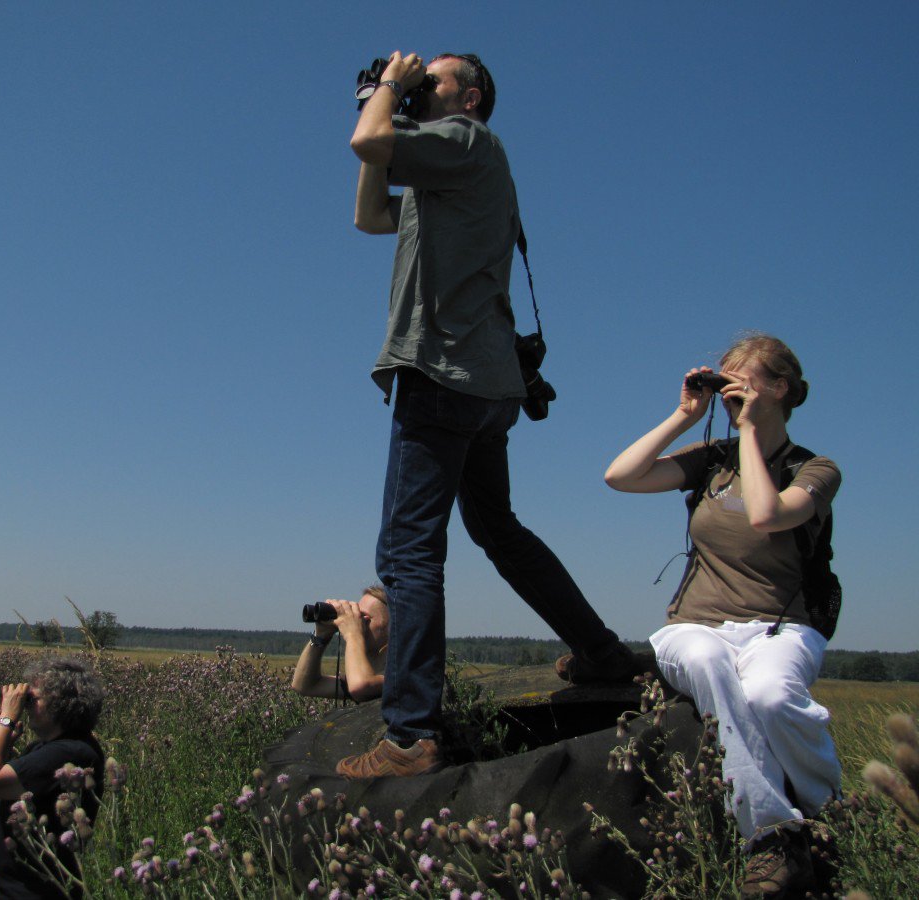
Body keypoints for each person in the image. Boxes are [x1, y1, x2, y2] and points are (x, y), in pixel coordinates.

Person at [337, 50, 638, 780]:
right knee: (496, 528)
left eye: (430, 81)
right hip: (483, 384)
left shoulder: (471, 142)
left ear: (469, 98)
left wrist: (384, 95)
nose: (416, 87)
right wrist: (386, 103)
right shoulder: (443, 177)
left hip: (440, 375)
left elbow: (368, 143)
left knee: (408, 552)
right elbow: (369, 213)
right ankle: (602, 653)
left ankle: (410, 737)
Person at [603, 333, 841, 898]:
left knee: (771, 697)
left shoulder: (815, 468)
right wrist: (686, 415)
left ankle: (829, 809)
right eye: (723, 380)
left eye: (744, 379)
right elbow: (621, 476)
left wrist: (752, 433)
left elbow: (767, 514)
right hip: (694, 625)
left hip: (780, 627)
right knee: (709, 660)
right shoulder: (712, 459)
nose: (730, 392)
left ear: (780, 388)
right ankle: (771, 836)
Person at [0, 657, 106, 899]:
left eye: (33, 699)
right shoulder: (46, 749)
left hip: (29, 891)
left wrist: (6, 720)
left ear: (60, 704)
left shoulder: (68, 753)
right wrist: (6, 746)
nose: (26, 705)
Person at [292, 585, 389, 701]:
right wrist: (320, 636)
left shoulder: (407, 669)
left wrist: (352, 634)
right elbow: (305, 686)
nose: (358, 622)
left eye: (363, 618)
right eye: (356, 616)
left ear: (392, 625)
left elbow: (360, 686)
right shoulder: (368, 674)